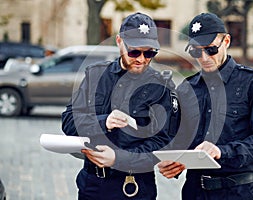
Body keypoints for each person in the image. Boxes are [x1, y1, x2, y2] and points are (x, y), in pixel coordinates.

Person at [158, 12, 253, 200]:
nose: (204, 57)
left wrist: (222, 151)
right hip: (194, 191)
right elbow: (179, 137)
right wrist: (175, 161)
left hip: (238, 191)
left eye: (211, 50)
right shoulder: (187, 88)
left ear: (227, 42)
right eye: (196, 52)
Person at [61, 12, 178, 200]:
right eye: (134, 52)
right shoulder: (96, 76)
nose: (141, 59)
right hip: (92, 186)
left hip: (134, 187)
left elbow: (163, 143)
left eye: (149, 53)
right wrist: (103, 121)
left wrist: (119, 159)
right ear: (119, 41)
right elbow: (68, 122)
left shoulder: (161, 87)